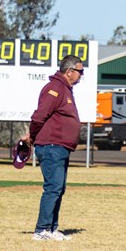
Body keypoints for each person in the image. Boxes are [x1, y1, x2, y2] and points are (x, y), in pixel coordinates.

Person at [28, 56, 84, 241]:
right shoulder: (55, 88)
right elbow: (39, 116)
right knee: (53, 187)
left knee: (59, 188)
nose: (81, 75)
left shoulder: (65, 89)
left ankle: (52, 229)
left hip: (60, 147)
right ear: (69, 71)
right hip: (52, 146)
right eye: (79, 71)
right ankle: (41, 230)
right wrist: (32, 135)